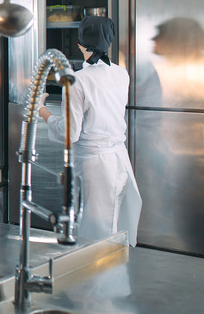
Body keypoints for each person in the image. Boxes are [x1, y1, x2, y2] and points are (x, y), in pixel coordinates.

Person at [37, 16, 142, 246]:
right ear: (109, 42)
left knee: (94, 239)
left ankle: (99, 282)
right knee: (115, 233)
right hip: (120, 161)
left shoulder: (76, 81)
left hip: (95, 167)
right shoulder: (121, 73)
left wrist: (42, 110)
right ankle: (113, 279)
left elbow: (69, 133)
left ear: (80, 45)